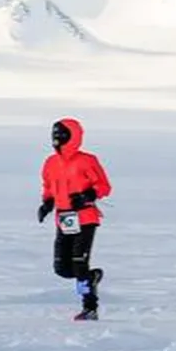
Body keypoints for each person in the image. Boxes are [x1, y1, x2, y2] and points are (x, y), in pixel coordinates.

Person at [38, 118, 112, 321]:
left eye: (61, 134)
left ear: (73, 136)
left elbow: (104, 186)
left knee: (79, 263)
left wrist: (88, 196)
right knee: (62, 268)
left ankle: (90, 307)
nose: (57, 138)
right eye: (55, 134)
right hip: (64, 218)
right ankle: (91, 278)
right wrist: (47, 204)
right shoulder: (50, 163)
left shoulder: (87, 160)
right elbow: (48, 186)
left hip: (85, 217)